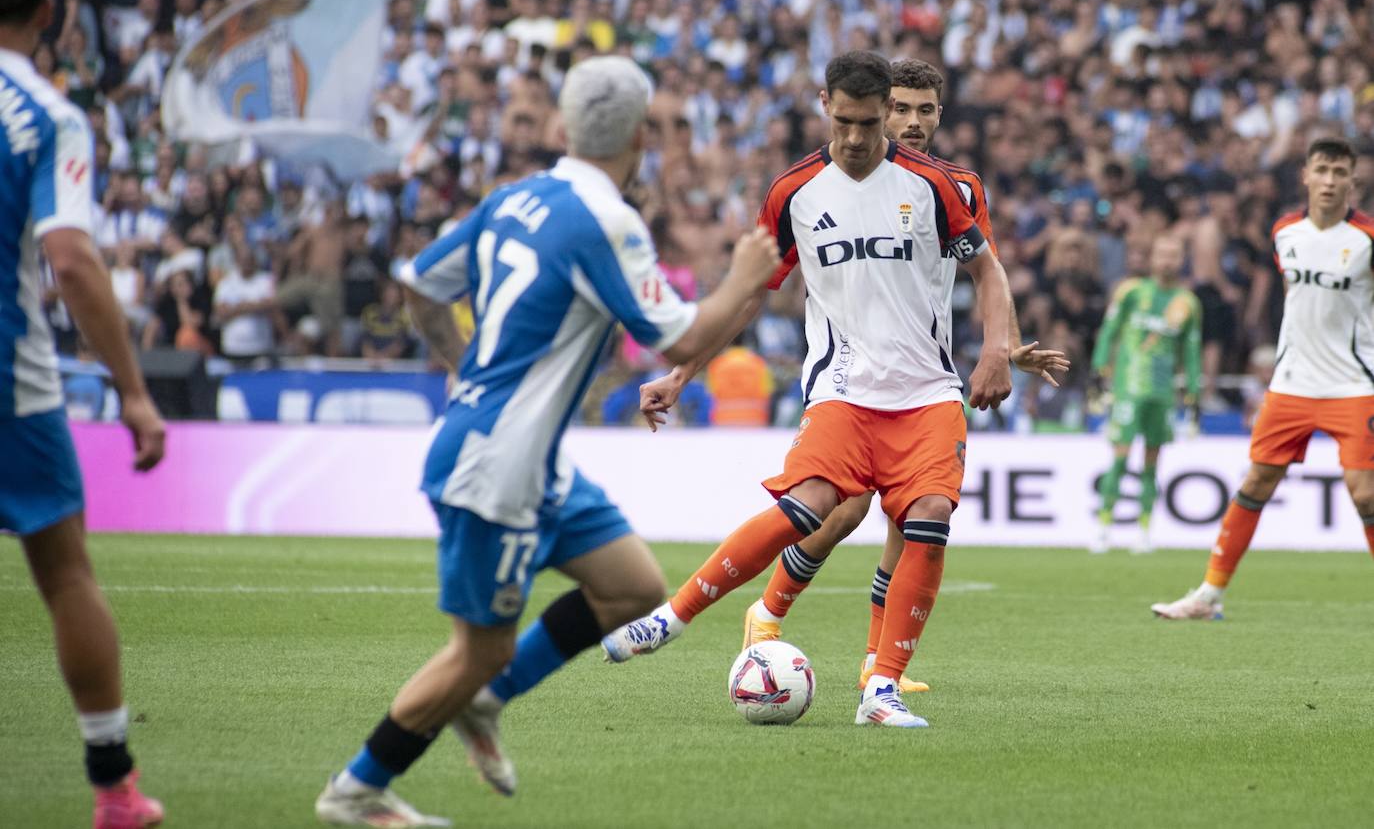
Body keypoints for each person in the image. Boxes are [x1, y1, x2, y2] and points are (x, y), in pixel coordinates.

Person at [314, 55, 781, 827]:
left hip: (531, 458)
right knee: (478, 652)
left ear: (564, 126)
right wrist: (740, 274)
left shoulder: (515, 199)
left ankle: (487, 704)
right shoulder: (605, 219)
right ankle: (357, 789)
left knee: (631, 587)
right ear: (640, 135)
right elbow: (680, 338)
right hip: (497, 467)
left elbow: (421, 285)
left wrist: (464, 369)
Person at [601, 51, 1016, 730]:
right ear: (824, 103)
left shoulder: (934, 186)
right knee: (811, 509)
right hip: (844, 391)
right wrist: (682, 372)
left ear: (888, 110)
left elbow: (988, 273)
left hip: (928, 392)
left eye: (869, 121)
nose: (855, 137)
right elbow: (747, 297)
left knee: (929, 520)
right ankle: (670, 620)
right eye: (844, 120)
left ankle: (880, 689)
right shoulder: (793, 191)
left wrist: (997, 350)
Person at [731, 59, 1069, 694]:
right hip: (850, 370)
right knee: (845, 507)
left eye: (926, 111)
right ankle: (768, 611)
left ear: (941, 115)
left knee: (908, 522)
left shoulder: (958, 187)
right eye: (902, 110)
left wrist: (1008, 347)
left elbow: (985, 270)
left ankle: (874, 667)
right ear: (882, 110)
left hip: (922, 375)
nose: (912, 123)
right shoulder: (836, 181)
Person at [0, 0, 166, 829]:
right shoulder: (47, 113)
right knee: (65, 573)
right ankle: (115, 789)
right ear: (51, 10)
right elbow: (71, 259)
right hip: (7, 381)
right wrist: (133, 391)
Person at [1152, 137, 1374, 620]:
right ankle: (1208, 596)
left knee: (1366, 491)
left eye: (1340, 172)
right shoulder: (1285, 231)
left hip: (1354, 385)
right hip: (1292, 382)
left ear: (1353, 180)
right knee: (1255, 482)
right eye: (1323, 170)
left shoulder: (1367, 239)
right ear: (1306, 176)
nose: (1331, 181)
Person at [1090, 235, 1202, 554]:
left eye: (1174, 254)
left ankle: (1144, 530)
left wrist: (1193, 395)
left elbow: (1191, 354)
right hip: (1129, 388)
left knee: (1153, 463)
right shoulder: (1131, 292)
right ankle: (1104, 526)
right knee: (1121, 458)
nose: (1167, 260)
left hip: (1162, 393)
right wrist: (1099, 371)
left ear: (1182, 259)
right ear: (1151, 258)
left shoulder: (1188, 303)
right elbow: (1109, 332)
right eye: (1162, 253)